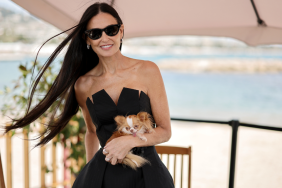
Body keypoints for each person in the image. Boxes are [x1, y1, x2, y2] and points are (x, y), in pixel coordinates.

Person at [2, 2, 174, 188]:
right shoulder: (83, 85)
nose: (105, 38)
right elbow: (92, 132)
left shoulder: (147, 70)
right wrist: (92, 169)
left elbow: (165, 131)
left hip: (148, 175)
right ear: (87, 39)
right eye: (95, 33)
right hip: (105, 175)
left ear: (121, 31)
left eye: (111, 30)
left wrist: (128, 141)